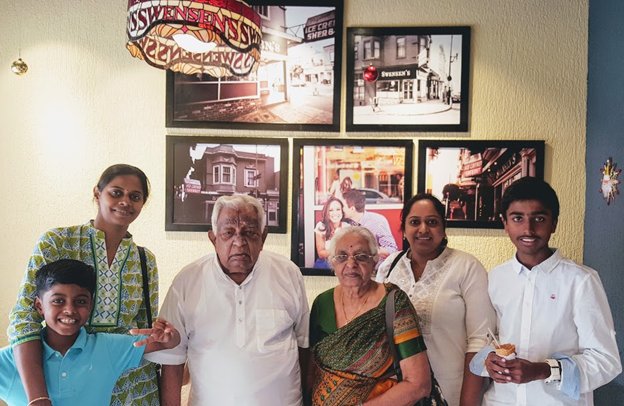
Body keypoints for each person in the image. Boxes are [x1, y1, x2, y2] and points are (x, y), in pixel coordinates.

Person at [7, 164, 160, 406]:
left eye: (135, 196)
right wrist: (37, 396)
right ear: (97, 194)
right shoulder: (57, 243)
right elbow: (24, 317)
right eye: (116, 192)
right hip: (67, 377)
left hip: (131, 386)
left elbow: (146, 328)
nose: (125, 202)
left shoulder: (144, 259)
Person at [144, 195, 310, 405]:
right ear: (213, 239)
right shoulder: (187, 281)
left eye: (250, 232)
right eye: (228, 233)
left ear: (263, 237)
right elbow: (171, 360)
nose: (239, 242)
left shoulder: (288, 274)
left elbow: (304, 346)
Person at [470, 177, 622, 405]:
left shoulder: (580, 281)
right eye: (517, 218)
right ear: (505, 223)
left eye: (539, 219)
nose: (528, 229)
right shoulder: (496, 278)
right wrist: (489, 359)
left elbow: (606, 361)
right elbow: (487, 339)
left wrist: (544, 370)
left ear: (554, 224)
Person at [0, 259, 180, 406]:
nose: (69, 310)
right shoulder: (11, 359)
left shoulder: (107, 348)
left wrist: (169, 336)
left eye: (80, 301)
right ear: (39, 306)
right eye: (58, 301)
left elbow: (167, 343)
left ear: (91, 305)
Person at [375, 193, 496, 406]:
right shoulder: (389, 267)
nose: (423, 229)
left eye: (432, 222)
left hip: (451, 393)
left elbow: (480, 341)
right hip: (396, 392)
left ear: (444, 227)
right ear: (404, 228)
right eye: (415, 222)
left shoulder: (466, 267)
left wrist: (467, 403)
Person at [307, 226, 431, 406]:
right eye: (342, 256)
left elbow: (418, 384)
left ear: (374, 261)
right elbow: (312, 371)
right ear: (333, 263)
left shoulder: (394, 303)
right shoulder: (322, 303)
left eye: (361, 256)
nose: (351, 264)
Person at [342, 190, 398, 261]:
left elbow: (392, 250)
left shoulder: (378, 221)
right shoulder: (344, 222)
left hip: (374, 266)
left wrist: (370, 249)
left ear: (352, 209)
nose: (340, 208)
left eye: (343, 206)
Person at [313, 198, 351, 269]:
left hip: (342, 263)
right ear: (326, 212)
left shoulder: (347, 227)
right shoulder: (321, 226)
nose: (335, 213)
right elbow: (321, 253)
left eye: (338, 209)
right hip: (325, 264)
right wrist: (339, 250)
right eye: (330, 210)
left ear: (342, 211)